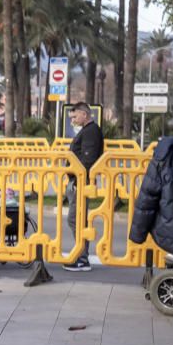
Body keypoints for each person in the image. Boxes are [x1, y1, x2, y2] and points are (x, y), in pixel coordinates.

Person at [63, 102, 103, 272]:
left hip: (81, 182)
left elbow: (88, 160)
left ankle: (82, 257)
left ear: (84, 114)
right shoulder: (88, 130)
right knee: (77, 219)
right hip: (78, 181)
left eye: (74, 116)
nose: (72, 120)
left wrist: (79, 182)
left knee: (76, 219)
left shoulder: (91, 132)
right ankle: (81, 256)